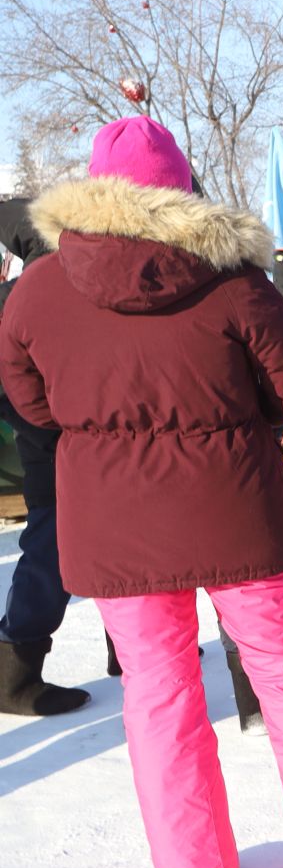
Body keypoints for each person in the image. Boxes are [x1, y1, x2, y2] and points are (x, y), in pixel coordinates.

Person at [0, 116, 283, 868]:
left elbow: (30, 402)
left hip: (112, 525)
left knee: (156, 691)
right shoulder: (230, 278)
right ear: (181, 186)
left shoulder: (37, 287)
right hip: (237, 510)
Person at [0, 196, 88, 716]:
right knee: (53, 543)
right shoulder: (60, 284)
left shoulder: (18, 293)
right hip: (61, 444)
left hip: (47, 441)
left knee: (57, 539)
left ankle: (17, 671)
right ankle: (14, 673)